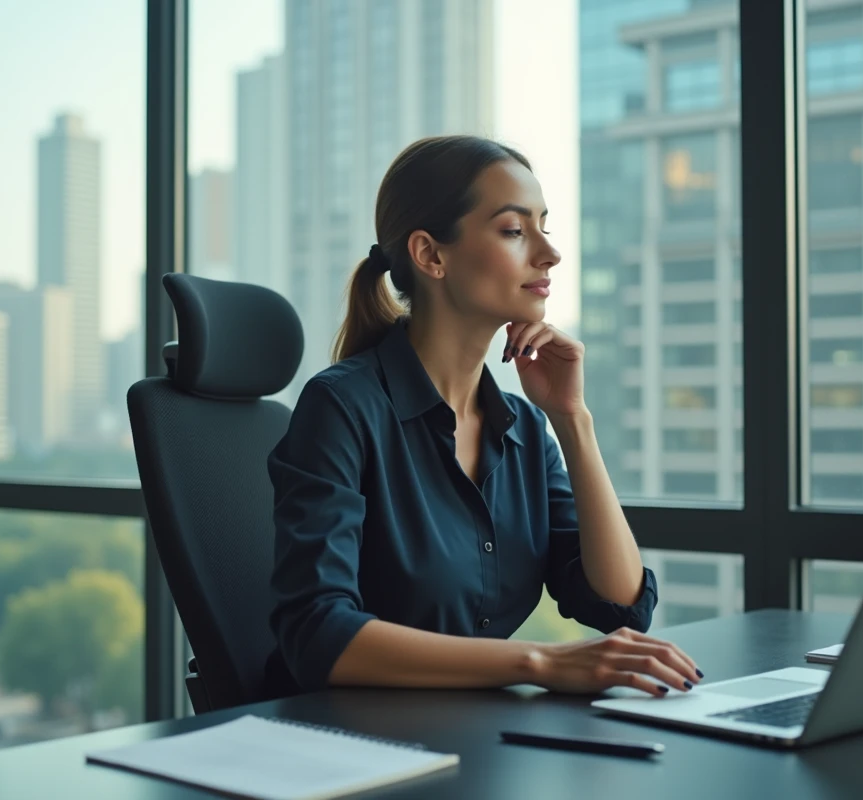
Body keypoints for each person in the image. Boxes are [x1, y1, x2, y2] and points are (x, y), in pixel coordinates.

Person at [265, 135, 703, 698]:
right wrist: (540, 662)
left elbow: (618, 603)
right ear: (431, 255)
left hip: (477, 740)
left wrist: (572, 420)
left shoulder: (522, 424)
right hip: (350, 748)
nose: (549, 253)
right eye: (515, 231)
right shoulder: (343, 408)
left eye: (545, 226)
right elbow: (317, 633)